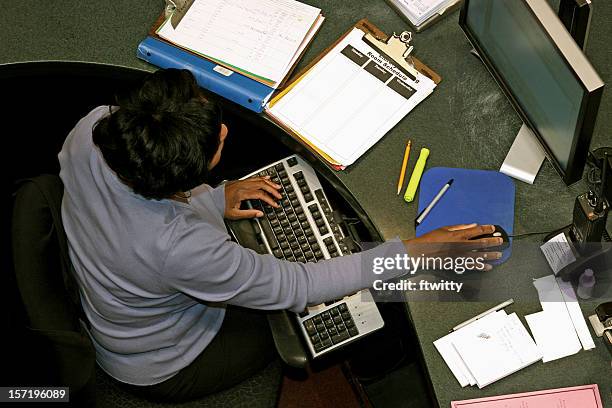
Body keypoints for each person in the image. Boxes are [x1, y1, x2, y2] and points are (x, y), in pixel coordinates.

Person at [58, 69, 501, 402]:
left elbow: (130, 207)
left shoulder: (92, 131)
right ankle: (380, 364)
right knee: (358, 312)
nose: (225, 130)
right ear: (180, 176)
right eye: (216, 141)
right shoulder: (179, 247)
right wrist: (415, 251)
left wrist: (214, 198)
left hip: (123, 289)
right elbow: (300, 286)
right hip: (165, 358)